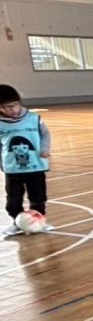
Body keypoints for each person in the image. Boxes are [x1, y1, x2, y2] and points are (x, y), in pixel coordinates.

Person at [1, 84, 52, 236]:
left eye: (15, 105)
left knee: (38, 198)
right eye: (6, 107)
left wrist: (45, 149)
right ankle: (17, 223)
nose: (12, 110)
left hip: (35, 167)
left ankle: (39, 222)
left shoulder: (34, 119)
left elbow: (46, 135)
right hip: (12, 169)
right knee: (13, 200)